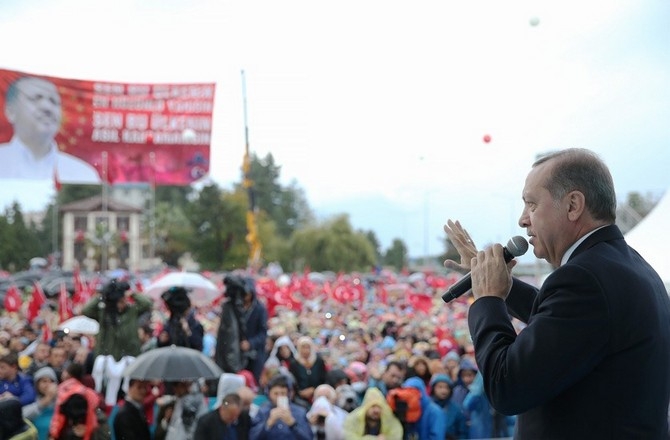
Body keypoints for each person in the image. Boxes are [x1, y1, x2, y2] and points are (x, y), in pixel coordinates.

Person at [444, 148, 670, 438]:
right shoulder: (625, 265)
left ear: (573, 205)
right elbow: (563, 321)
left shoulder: (584, 279)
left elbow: (507, 387)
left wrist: (489, 299)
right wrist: (498, 282)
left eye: (532, 205)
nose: (523, 220)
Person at [0, 76, 100, 182]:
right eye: (36, 98)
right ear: (10, 111)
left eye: (54, 101)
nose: (47, 107)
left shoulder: (83, 173)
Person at [81, 279, 152, 407]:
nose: (122, 303)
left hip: (129, 357)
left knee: (126, 394)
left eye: (123, 300)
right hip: (107, 360)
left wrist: (131, 293)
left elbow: (146, 304)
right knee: (105, 392)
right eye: (119, 301)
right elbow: (86, 310)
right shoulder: (104, 313)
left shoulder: (132, 311)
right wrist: (102, 296)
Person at [215, 275, 268, 384]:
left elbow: (263, 334)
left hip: (254, 355)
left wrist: (250, 343)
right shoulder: (233, 307)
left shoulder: (260, 309)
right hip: (236, 353)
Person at [249, 374, 311, 440]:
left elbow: (309, 437)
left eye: (283, 393)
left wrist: (293, 424)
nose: (279, 397)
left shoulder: (299, 412)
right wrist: (268, 423)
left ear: (288, 394)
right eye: (276, 393)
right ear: (269, 394)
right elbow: (253, 437)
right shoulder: (262, 412)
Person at [157, 287, 204, 351]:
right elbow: (162, 347)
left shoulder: (194, 325)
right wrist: (161, 341)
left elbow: (198, 346)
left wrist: (188, 332)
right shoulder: (170, 324)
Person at [22, 367, 59, 440]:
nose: (48, 385)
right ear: (37, 384)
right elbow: (23, 415)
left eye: (51, 381)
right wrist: (47, 399)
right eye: (44, 381)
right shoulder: (32, 398)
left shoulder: (60, 400)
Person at [428, 374, 467, 440]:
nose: (443, 390)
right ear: (433, 388)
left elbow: (462, 432)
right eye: (440, 387)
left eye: (446, 387)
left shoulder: (456, 409)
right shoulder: (428, 408)